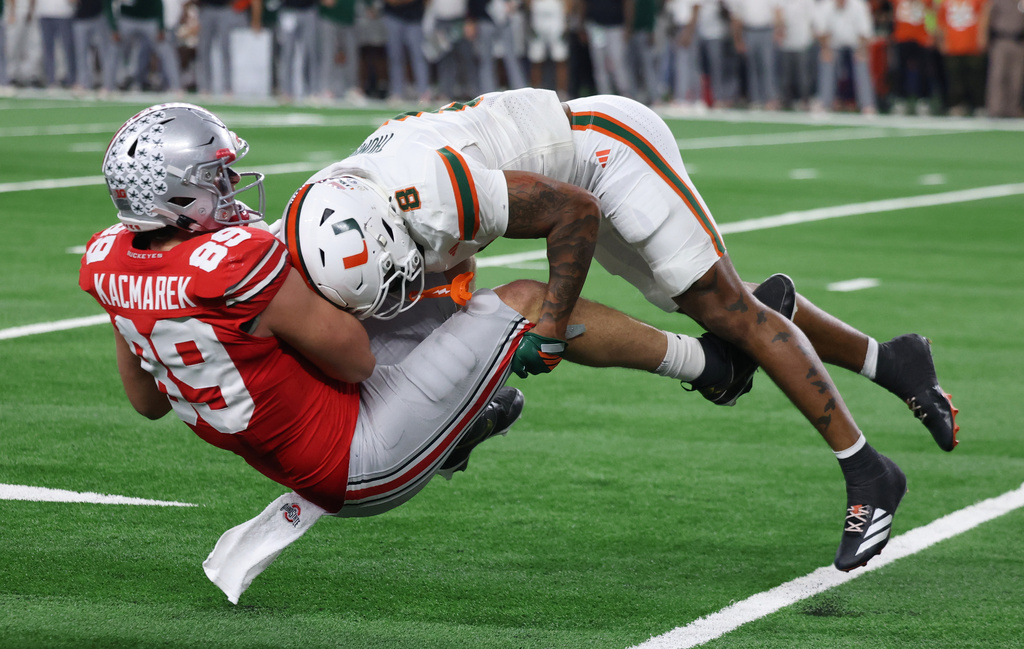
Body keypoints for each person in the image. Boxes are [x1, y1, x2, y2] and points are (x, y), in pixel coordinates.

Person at [283, 88, 960, 574]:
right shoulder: (322, 215)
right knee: (716, 304)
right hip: (555, 174)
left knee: (727, 311)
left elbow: (572, 212)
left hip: (604, 153)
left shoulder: (431, 195)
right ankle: (892, 360)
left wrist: (550, 324)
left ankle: (870, 471)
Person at [80, 102, 607, 602]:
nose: (233, 184)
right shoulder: (235, 260)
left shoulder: (108, 259)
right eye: (216, 176)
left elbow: (147, 403)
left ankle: (455, 426)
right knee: (520, 298)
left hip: (295, 453)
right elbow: (356, 361)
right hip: (358, 461)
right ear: (175, 197)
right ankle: (689, 362)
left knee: (431, 278)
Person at [814, 0, 878, 114]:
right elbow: (821, 32)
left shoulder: (859, 6)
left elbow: (865, 33)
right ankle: (824, 102)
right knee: (825, 58)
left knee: (862, 61)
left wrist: (861, 50)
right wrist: (826, 49)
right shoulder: (825, 6)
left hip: (855, 45)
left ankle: (867, 104)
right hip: (833, 45)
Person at [935, 0, 989, 116]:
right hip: (953, 45)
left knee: (976, 78)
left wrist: (982, 36)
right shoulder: (945, 2)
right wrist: (942, 40)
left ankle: (978, 105)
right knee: (955, 79)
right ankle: (957, 104)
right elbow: (941, 20)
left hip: (972, 44)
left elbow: (984, 16)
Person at [985, 0, 1024, 118]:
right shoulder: (998, 1)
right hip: (1001, 39)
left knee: (1016, 77)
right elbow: (987, 16)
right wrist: (984, 38)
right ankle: (995, 109)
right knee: (998, 75)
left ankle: (1012, 109)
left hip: (1019, 41)